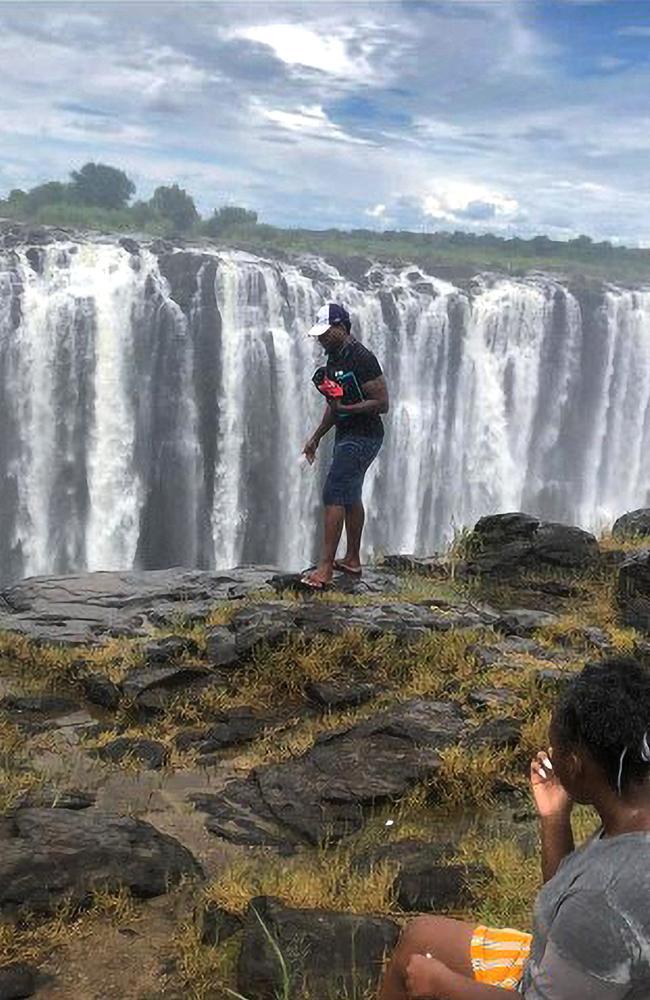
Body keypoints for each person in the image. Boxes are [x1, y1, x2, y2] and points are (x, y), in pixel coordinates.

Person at [378, 656, 650, 1000]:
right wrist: (554, 818)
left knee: (414, 967)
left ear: (575, 766)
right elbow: (564, 902)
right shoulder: (630, 816)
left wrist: (444, 984)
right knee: (420, 935)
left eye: (557, 747)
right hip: (585, 968)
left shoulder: (604, 900)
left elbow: (586, 919)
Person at [301, 302, 389, 590]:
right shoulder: (334, 359)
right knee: (350, 495)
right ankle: (352, 559)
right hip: (347, 435)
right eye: (319, 335)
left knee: (334, 491)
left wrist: (346, 408)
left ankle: (325, 568)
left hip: (365, 436)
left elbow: (382, 403)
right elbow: (333, 406)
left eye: (326, 333)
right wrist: (317, 436)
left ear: (341, 327)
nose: (322, 339)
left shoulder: (362, 358)